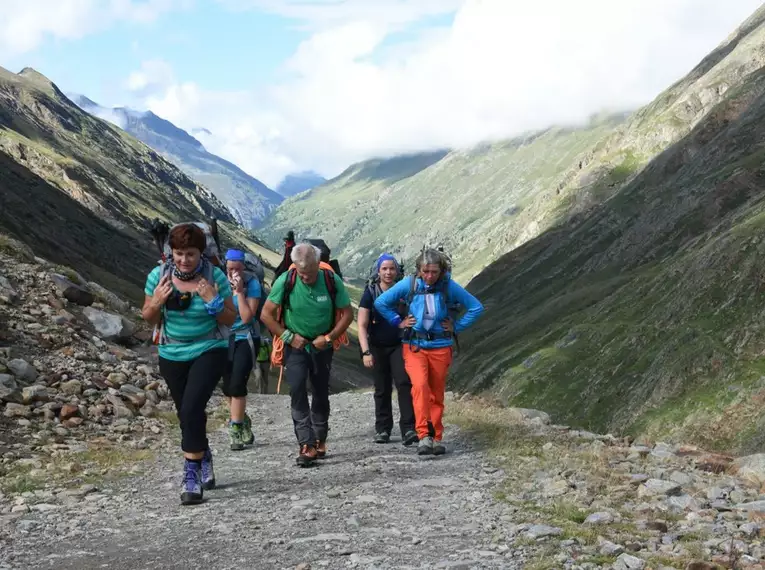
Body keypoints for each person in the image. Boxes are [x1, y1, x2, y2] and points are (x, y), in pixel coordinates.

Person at [141, 223, 236, 505]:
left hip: (210, 348)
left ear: (200, 253)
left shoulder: (214, 276)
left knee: (193, 406)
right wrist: (157, 302)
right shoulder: (158, 277)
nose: (184, 259)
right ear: (172, 252)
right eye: (180, 253)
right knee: (187, 413)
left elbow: (232, 319)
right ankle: (203, 454)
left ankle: (191, 475)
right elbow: (147, 317)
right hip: (172, 352)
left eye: (191, 254)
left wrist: (213, 301)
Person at [374, 248, 484, 456]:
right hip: (414, 346)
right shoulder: (410, 284)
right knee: (420, 386)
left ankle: (436, 438)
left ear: (441, 271)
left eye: (434, 272)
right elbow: (380, 302)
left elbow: (476, 307)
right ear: (419, 270)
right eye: (425, 271)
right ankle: (424, 435)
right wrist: (399, 321)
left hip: (441, 347)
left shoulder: (448, 286)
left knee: (436, 393)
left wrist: (456, 327)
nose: (429, 276)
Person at [260, 242, 354, 467]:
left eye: (311, 273)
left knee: (320, 389)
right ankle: (306, 443)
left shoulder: (331, 280)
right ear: (295, 267)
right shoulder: (286, 280)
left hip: (323, 346)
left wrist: (329, 338)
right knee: (298, 389)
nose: (306, 278)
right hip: (296, 347)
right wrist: (288, 337)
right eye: (302, 274)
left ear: (318, 265)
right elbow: (266, 315)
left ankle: (320, 437)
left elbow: (347, 314)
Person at [358, 253, 417, 446]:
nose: (388, 272)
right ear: (378, 271)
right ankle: (383, 429)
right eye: (384, 269)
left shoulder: (405, 292)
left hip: (401, 345)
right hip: (377, 346)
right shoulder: (370, 292)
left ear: (397, 271)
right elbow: (362, 325)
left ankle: (408, 428)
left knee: (404, 384)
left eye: (392, 268)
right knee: (381, 388)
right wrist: (366, 352)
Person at [222, 248, 261, 450]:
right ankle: (242, 418)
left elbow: (247, 317)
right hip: (223, 338)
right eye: (230, 269)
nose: (233, 273)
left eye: (237, 269)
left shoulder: (252, 283)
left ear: (243, 267)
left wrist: (239, 293)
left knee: (237, 384)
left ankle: (235, 428)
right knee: (227, 387)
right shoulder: (219, 281)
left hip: (246, 338)